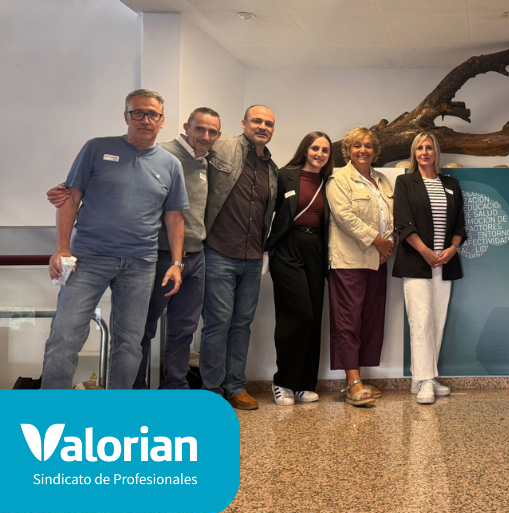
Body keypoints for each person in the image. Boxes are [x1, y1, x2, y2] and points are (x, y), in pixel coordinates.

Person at [48, 107, 222, 389]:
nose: (146, 120)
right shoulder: (96, 148)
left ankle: (121, 411)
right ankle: (49, 411)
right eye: (139, 113)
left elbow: (175, 217)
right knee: (65, 335)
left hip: (141, 263)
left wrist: (177, 264)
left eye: (153, 115)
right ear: (126, 115)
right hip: (88, 260)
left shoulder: (170, 163)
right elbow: (70, 196)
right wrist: (61, 249)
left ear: (162, 120)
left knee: (129, 343)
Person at [200, 105, 278, 410]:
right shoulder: (221, 146)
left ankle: (235, 386)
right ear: (243, 122)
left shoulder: (271, 168)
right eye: (257, 121)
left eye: (268, 123)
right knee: (217, 323)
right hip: (218, 250)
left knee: (242, 324)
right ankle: (211, 391)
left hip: (253, 256)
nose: (262, 127)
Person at [392, 133, 467, 404]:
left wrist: (452, 249)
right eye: (419, 148)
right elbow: (402, 223)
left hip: (444, 264)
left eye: (429, 148)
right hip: (417, 262)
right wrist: (426, 252)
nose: (424, 152)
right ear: (414, 153)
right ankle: (424, 380)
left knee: (437, 320)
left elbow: (459, 224)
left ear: (436, 152)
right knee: (420, 321)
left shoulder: (451, 183)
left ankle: (423, 378)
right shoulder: (405, 182)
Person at [326, 127, 394, 406]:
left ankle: (359, 379)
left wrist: (386, 246)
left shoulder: (382, 180)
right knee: (348, 320)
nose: (363, 150)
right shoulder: (338, 178)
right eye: (357, 146)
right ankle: (352, 381)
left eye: (368, 146)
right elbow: (344, 216)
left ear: (375, 151)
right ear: (348, 150)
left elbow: (391, 217)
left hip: (378, 259)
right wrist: (378, 241)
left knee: (369, 321)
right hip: (349, 260)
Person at [264, 131, 333, 405]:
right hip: (287, 248)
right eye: (315, 148)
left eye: (325, 150)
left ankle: (306, 384)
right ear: (305, 149)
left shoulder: (331, 182)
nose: (319, 154)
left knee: (314, 316)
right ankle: (283, 382)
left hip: (316, 249)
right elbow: (267, 209)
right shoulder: (285, 175)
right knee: (298, 314)